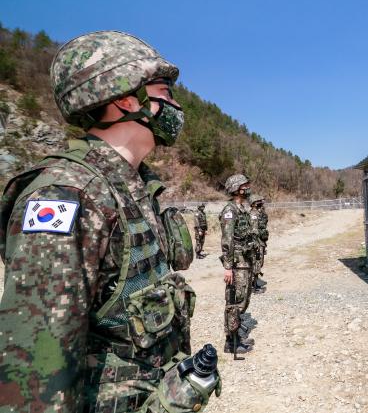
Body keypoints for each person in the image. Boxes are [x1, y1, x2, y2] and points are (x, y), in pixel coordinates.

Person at [0, 31, 220, 412]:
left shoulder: (135, 186)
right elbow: (36, 375)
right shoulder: (66, 195)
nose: (175, 103)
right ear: (124, 99)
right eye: (164, 90)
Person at [219, 174, 256, 354]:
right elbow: (227, 240)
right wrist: (228, 267)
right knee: (235, 302)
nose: (248, 188)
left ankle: (237, 335)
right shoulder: (230, 210)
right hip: (237, 263)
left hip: (245, 261)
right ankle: (231, 342)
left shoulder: (242, 209)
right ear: (236, 188)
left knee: (244, 300)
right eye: (245, 185)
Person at [249, 194, 269, 294]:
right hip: (256, 242)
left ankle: (255, 283)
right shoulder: (253, 214)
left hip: (260, 242)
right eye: (259, 201)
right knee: (256, 264)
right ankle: (253, 287)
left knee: (259, 263)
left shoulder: (258, 212)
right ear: (254, 203)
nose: (261, 202)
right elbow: (254, 230)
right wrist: (256, 243)